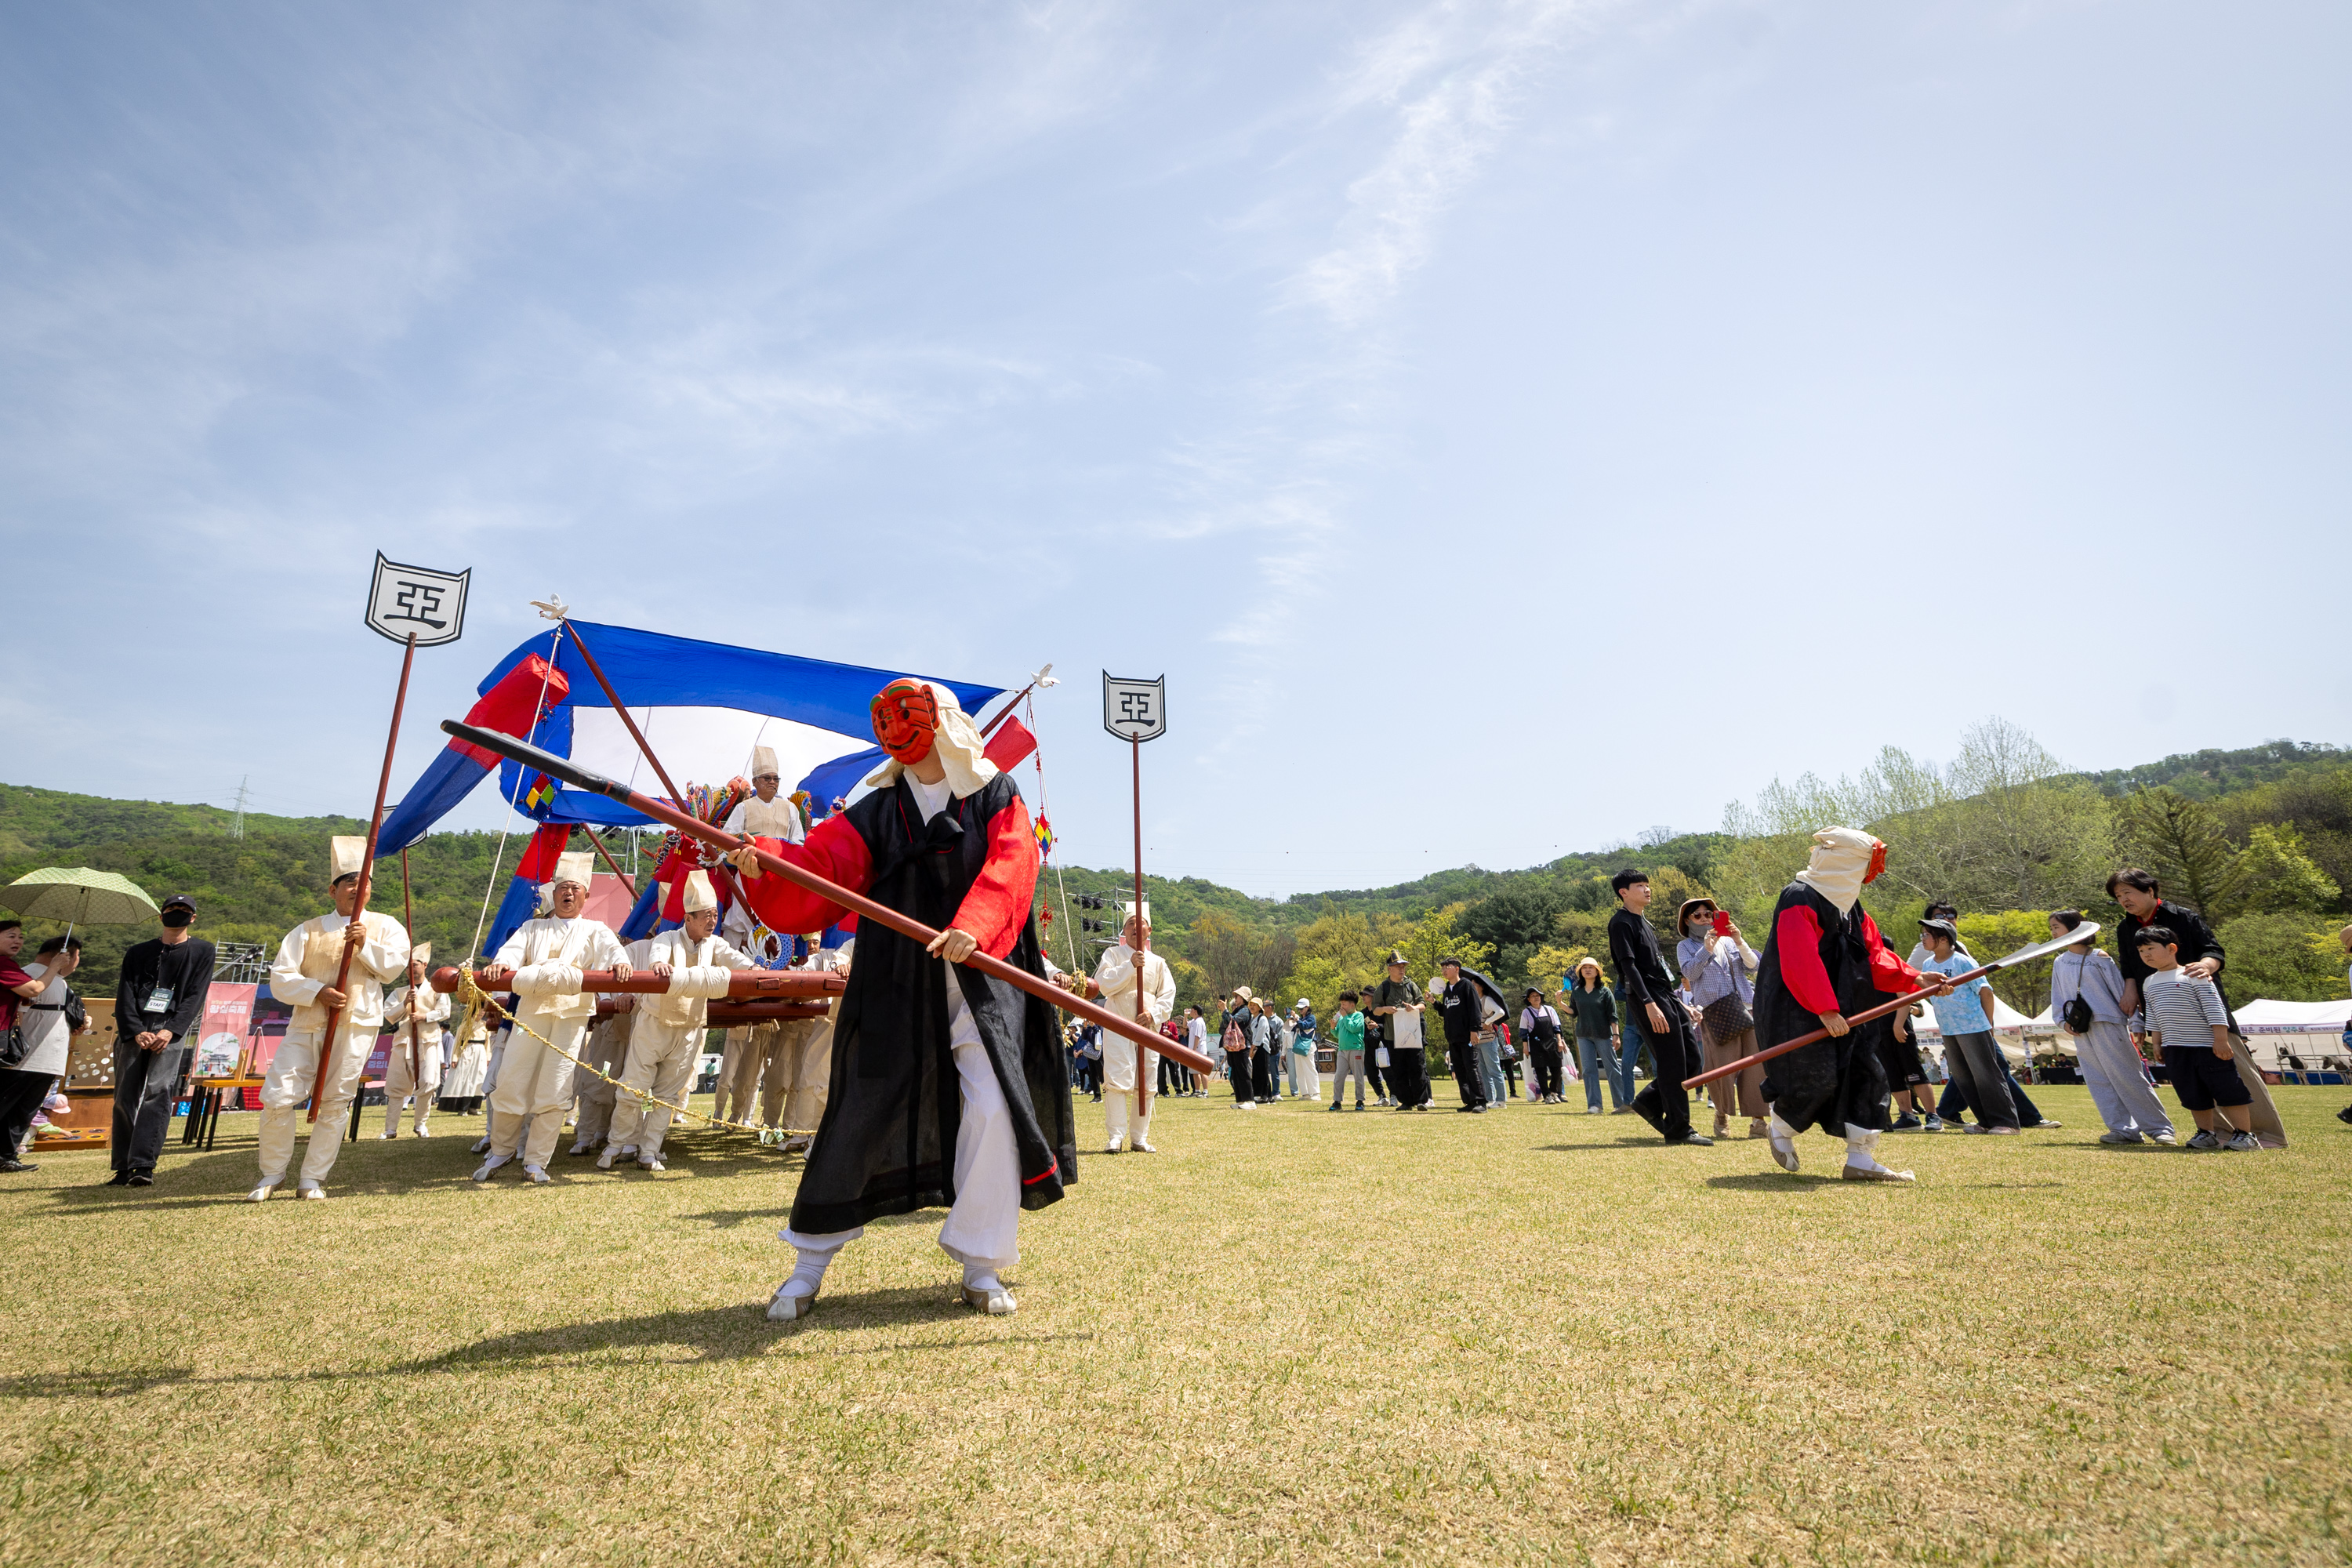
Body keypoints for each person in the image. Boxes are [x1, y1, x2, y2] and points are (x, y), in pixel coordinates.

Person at [727, 677, 1073, 1321]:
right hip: (896, 971)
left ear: (941, 724)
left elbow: (1013, 864)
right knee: (862, 1100)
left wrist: (975, 924)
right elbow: (822, 867)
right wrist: (769, 861)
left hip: (984, 974)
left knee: (995, 1104)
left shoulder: (996, 792)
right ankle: (807, 1262)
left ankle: (981, 1262)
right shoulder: (879, 808)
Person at [1750, 829, 1946, 1181]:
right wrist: (1824, 1009)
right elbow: (1800, 960)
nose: (1867, 876)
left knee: (1866, 1074)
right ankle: (1781, 1126)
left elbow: (1873, 953)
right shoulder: (1798, 898)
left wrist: (1915, 977)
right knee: (1815, 1074)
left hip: (1849, 1005)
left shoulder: (1850, 905)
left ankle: (1860, 1159)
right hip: (1797, 1007)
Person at [253, 845, 408, 1200]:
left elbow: (392, 968)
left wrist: (365, 944)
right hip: (307, 1022)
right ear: (333, 890)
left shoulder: (387, 926)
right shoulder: (305, 931)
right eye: (349, 882)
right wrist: (316, 990)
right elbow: (280, 978)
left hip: (357, 1024)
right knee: (278, 1096)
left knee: (336, 1101)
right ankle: (272, 1174)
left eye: (364, 882)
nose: (357, 888)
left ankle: (312, 1178)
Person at [474, 849, 633, 1185]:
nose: (568, 893)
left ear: (586, 896)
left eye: (575, 888)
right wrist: (502, 963)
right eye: (563, 887)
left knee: (556, 1089)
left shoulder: (596, 929)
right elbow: (512, 952)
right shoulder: (532, 927)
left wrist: (620, 962)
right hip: (529, 1013)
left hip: (571, 1017)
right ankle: (502, 1150)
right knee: (511, 1081)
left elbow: (613, 951)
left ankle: (535, 1162)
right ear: (554, 891)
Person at [601, 869, 756, 1171]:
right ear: (689, 918)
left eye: (715, 915)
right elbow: (657, 956)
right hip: (654, 1023)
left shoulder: (717, 945)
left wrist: (760, 972)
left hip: (689, 1028)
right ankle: (616, 1145)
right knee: (633, 1088)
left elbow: (740, 963)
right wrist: (658, 963)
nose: (712, 920)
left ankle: (648, 1151)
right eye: (706, 916)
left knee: (667, 1096)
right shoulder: (667, 938)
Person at [2047, 910, 2174, 1145]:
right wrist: (2062, 1021)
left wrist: (2136, 1021)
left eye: (2057, 927)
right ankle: (2123, 1129)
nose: (2053, 932)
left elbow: (2121, 991)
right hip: (2081, 1029)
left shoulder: (2099, 957)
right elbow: (2058, 996)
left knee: (2129, 1077)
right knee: (2098, 1080)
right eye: (2052, 927)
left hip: (2110, 1023)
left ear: (2075, 928)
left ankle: (2160, 1129)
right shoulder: (2060, 961)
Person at [1606, 873, 1708, 1145]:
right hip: (1647, 999)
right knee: (1672, 1062)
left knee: (1691, 1060)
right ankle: (1679, 1130)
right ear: (1624, 892)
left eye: (1647, 885)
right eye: (1640, 886)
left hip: (1666, 995)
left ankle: (1649, 1101)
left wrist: (1681, 1005)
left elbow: (1659, 969)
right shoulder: (1621, 923)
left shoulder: (1644, 923)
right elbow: (1629, 968)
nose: (1647, 889)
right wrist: (1649, 1004)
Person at [2136, 926, 2258, 1151]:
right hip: (2175, 1049)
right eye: (2142, 950)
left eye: (2151, 948)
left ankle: (2245, 1135)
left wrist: (2220, 1040)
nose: (2146, 954)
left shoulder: (2194, 974)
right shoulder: (2148, 981)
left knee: (2228, 1090)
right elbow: (2152, 1016)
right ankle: (2206, 1133)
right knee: (2191, 1092)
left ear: (2172, 948)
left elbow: (2215, 1008)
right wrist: (2156, 1044)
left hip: (2207, 1047)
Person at [1675, 898, 1767, 1140]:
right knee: (1721, 1067)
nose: (1705, 918)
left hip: (1746, 1007)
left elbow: (1754, 965)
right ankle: (1721, 1113)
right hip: (1715, 1011)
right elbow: (1690, 973)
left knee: (1756, 1064)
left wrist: (1739, 940)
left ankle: (1758, 1119)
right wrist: (1705, 949)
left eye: (1710, 914)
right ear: (1687, 921)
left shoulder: (1728, 942)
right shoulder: (1685, 946)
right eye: (1698, 915)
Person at [1916, 918, 2018, 1134]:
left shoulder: (1962, 962)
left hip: (1972, 1026)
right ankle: (1985, 1122)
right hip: (1948, 1028)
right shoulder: (1928, 966)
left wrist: (1988, 1024)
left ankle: (2006, 1122)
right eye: (1922, 935)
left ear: (1943, 940)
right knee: (1963, 1077)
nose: (1923, 939)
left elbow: (1985, 991)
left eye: (1926, 935)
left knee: (1986, 1075)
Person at [1090, 910, 1175, 1153]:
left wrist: (1154, 1014)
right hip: (1118, 1024)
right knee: (1117, 1078)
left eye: (1141, 924)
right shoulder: (1113, 954)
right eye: (1130, 924)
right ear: (1124, 931)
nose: (1136, 928)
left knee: (1147, 1081)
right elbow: (1103, 985)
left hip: (1147, 1027)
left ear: (1149, 931)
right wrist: (1130, 966)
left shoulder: (1158, 962)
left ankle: (1140, 1138)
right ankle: (1115, 1137)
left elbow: (1168, 994)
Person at [1, 933, 79, 1174]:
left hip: (45, 1057)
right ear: (65, 955)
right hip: (25, 1056)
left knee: (24, 1110)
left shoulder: (57, 981)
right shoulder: (31, 975)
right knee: (11, 1107)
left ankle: (7, 1156)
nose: (76, 963)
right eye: (76, 957)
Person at [379, 945, 450, 1138]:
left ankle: (420, 1125)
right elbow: (388, 1015)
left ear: (424, 965)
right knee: (397, 1085)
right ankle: (390, 1129)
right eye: (408, 966)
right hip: (404, 1041)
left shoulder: (437, 989)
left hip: (428, 1041)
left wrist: (424, 1017)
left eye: (415, 964)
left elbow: (445, 1011)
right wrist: (404, 1004)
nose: (412, 969)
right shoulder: (399, 991)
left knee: (427, 1082)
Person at [1563, 959, 1621, 1115]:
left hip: (1603, 1035)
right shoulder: (1577, 992)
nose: (1588, 970)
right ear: (1581, 972)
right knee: (1589, 1070)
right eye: (1584, 968)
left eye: (1591, 968)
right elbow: (1573, 1012)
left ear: (1597, 972)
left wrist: (1616, 1035)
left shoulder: (1605, 991)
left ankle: (1621, 1103)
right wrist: (1559, 1003)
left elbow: (1613, 1016)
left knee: (1612, 1069)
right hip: (1583, 1035)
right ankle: (1595, 1105)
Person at [1371, 951, 1428, 1111]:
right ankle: (1406, 1102)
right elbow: (1375, 1010)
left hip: (1413, 1035)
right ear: (1390, 969)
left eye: (1403, 966)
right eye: (1398, 966)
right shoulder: (1383, 987)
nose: (1402, 969)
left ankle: (1421, 1101)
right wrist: (1385, 1009)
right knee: (1399, 1069)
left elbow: (1423, 1005)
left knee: (1417, 1067)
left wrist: (1414, 1008)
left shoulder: (1411, 985)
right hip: (1393, 1036)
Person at [1432, 959, 1489, 1113]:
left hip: (1467, 1035)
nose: (1444, 971)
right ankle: (1469, 1101)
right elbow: (1446, 1012)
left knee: (1472, 1067)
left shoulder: (1466, 985)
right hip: (1453, 1036)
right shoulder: (1447, 990)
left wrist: (1474, 1030)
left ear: (1457, 969)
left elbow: (1475, 1008)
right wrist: (1434, 1003)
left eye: (1447, 967)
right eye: (1442, 968)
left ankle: (1480, 1101)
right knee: (1460, 1070)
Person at [1519, 989, 1565, 1103]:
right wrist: (1525, 1047)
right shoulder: (1526, 1012)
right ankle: (1546, 1095)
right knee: (1541, 1071)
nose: (1536, 998)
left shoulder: (1549, 1009)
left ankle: (1554, 1092)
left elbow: (1556, 1027)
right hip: (1536, 1045)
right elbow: (1524, 1032)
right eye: (1533, 996)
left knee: (1557, 1069)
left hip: (1552, 1042)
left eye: (1538, 996)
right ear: (1528, 999)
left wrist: (1560, 1041)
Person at [1327, 992, 1369, 1111]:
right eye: (1341, 1004)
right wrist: (1333, 1027)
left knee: (1358, 1076)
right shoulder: (1340, 1017)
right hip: (1342, 1050)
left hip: (1356, 1049)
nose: (1342, 1007)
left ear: (1352, 1005)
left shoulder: (1359, 1016)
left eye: (1344, 1004)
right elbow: (1337, 1034)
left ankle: (1360, 1101)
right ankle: (1337, 1101)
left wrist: (1345, 1017)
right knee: (1339, 1077)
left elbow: (1354, 1028)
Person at [1218, 989, 1257, 1107]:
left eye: (1238, 996)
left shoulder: (1245, 1010)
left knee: (1243, 1072)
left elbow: (1233, 1021)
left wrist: (1225, 1010)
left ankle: (1249, 1101)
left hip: (1242, 1045)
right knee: (1235, 1072)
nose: (1235, 998)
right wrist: (1224, 1011)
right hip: (1235, 1046)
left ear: (1244, 998)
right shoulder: (1238, 1010)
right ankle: (1241, 1100)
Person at [1287, 998, 1319, 1102]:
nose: (1300, 1010)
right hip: (1298, 1045)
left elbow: (1304, 1026)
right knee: (1300, 1070)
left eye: (1302, 1008)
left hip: (1308, 1046)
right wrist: (1291, 1019)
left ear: (1307, 1007)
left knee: (1310, 1069)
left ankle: (1316, 1093)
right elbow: (1289, 1028)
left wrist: (1296, 1019)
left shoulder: (1311, 1018)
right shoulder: (1299, 1018)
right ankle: (1305, 1093)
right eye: (1299, 1008)